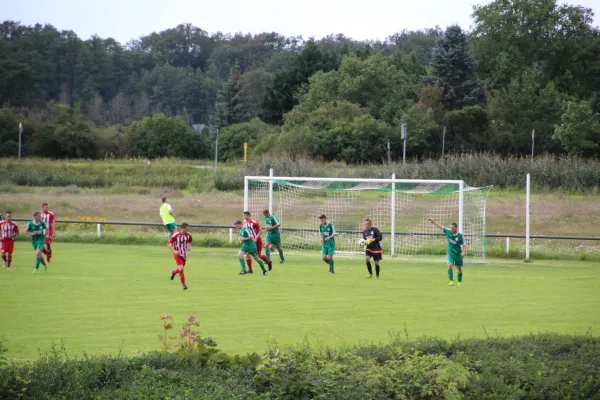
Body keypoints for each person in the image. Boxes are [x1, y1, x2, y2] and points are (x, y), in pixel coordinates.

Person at [428, 218, 467, 286]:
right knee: (450, 265)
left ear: (456, 228)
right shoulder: (448, 232)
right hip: (450, 253)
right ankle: (451, 281)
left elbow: (464, 244)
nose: (451, 229)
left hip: (458, 253)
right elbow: (440, 226)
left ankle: (459, 282)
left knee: (459, 268)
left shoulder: (460, 236)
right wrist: (433, 222)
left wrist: (463, 251)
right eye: (450, 227)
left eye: (452, 228)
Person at [168, 223, 192, 290]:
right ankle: (184, 285)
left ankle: (174, 272)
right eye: (187, 228)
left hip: (184, 254)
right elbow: (169, 244)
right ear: (183, 228)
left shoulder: (189, 235)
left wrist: (189, 247)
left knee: (180, 268)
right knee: (181, 268)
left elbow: (190, 242)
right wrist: (174, 251)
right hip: (177, 254)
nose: (188, 229)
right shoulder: (175, 235)